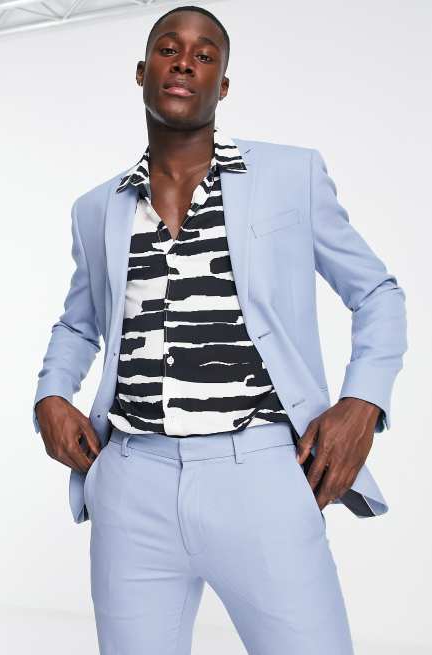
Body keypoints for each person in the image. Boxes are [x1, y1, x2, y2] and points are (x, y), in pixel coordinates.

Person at [32, 5, 407, 654]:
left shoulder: (289, 176)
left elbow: (377, 293)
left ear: (222, 84)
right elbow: (78, 322)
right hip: (131, 480)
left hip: (260, 474)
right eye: (168, 49)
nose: (184, 61)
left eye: (204, 55)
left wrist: (362, 401)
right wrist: (50, 395)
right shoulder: (97, 208)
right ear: (142, 71)